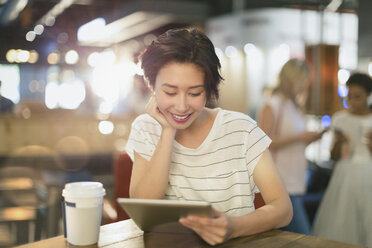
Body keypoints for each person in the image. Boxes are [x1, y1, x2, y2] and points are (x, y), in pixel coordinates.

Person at [124, 28, 292, 245]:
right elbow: (143, 206)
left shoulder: (241, 130)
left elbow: (283, 208)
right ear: (152, 86)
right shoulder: (145, 128)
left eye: (194, 93)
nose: (182, 106)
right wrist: (168, 131)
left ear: (209, 90)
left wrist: (234, 227)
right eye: (170, 92)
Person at [257, 58, 325, 235]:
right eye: (303, 81)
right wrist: (300, 137)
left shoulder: (294, 106)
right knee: (304, 237)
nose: (305, 86)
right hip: (280, 181)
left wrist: (307, 139)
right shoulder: (273, 104)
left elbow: (291, 142)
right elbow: (262, 141)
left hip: (295, 179)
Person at [312, 72, 372, 246]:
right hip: (344, 176)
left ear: (368, 95)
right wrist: (338, 143)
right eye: (349, 96)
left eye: (357, 97)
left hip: (368, 175)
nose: (352, 101)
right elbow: (333, 157)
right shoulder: (340, 119)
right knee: (342, 222)